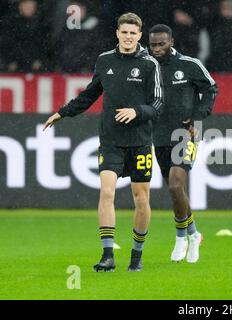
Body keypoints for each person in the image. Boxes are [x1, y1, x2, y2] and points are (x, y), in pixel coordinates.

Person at [43, 13, 163, 272]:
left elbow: (158, 103)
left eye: (133, 33)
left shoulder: (149, 64)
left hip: (140, 141)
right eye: (125, 32)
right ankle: (108, 255)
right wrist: (62, 112)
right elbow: (90, 94)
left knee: (141, 198)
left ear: (139, 36)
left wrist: (136, 111)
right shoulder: (105, 60)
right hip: (111, 140)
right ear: (117, 33)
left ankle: (137, 254)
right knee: (106, 192)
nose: (128, 37)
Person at [148, 24, 217, 263]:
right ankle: (194, 233)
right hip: (159, 135)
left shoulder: (189, 65)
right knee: (174, 190)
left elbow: (211, 89)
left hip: (185, 134)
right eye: (153, 44)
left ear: (171, 42)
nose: (157, 48)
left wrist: (197, 117)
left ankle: (180, 238)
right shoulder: (147, 67)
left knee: (176, 185)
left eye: (161, 43)